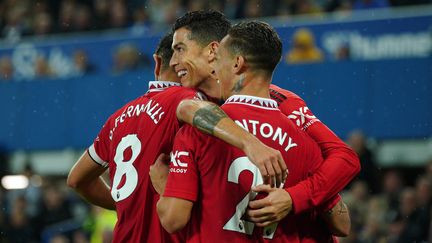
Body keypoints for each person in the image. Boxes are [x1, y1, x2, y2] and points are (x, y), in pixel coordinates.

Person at [67, 32, 286, 243]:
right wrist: (251, 142)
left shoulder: (117, 119)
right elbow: (190, 108)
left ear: (155, 63)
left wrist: (128, 204)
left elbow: (76, 180)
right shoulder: (188, 97)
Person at [165, 9, 360, 242]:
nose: (173, 62)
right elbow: (341, 222)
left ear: (214, 52)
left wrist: (292, 197)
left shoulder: (283, 102)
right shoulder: (188, 106)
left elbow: (345, 158)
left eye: (179, 49)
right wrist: (251, 143)